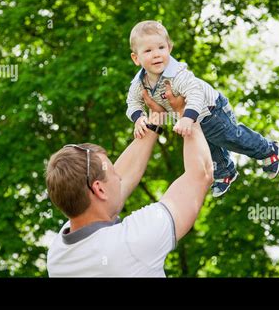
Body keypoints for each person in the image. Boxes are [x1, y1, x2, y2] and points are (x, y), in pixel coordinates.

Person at [45, 97, 213, 277]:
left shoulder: (58, 254)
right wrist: (186, 111)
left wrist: (155, 121)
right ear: (99, 189)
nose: (118, 175)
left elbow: (114, 189)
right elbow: (201, 174)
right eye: (112, 171)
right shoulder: (132, 243)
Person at [126, 20, 279, 197]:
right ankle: (225, 173)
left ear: (169, 48)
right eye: (148, 50)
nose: (156, 54)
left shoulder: (177, 74)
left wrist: (186, 117)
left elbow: (195, 94)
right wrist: (139, 118)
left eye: (161, 47)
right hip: (192, 117)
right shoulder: (139, 83)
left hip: (210, 109)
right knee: (208, 146)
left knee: (230, 137)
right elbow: (133, 102)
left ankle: (268, 149)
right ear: (136, 58)